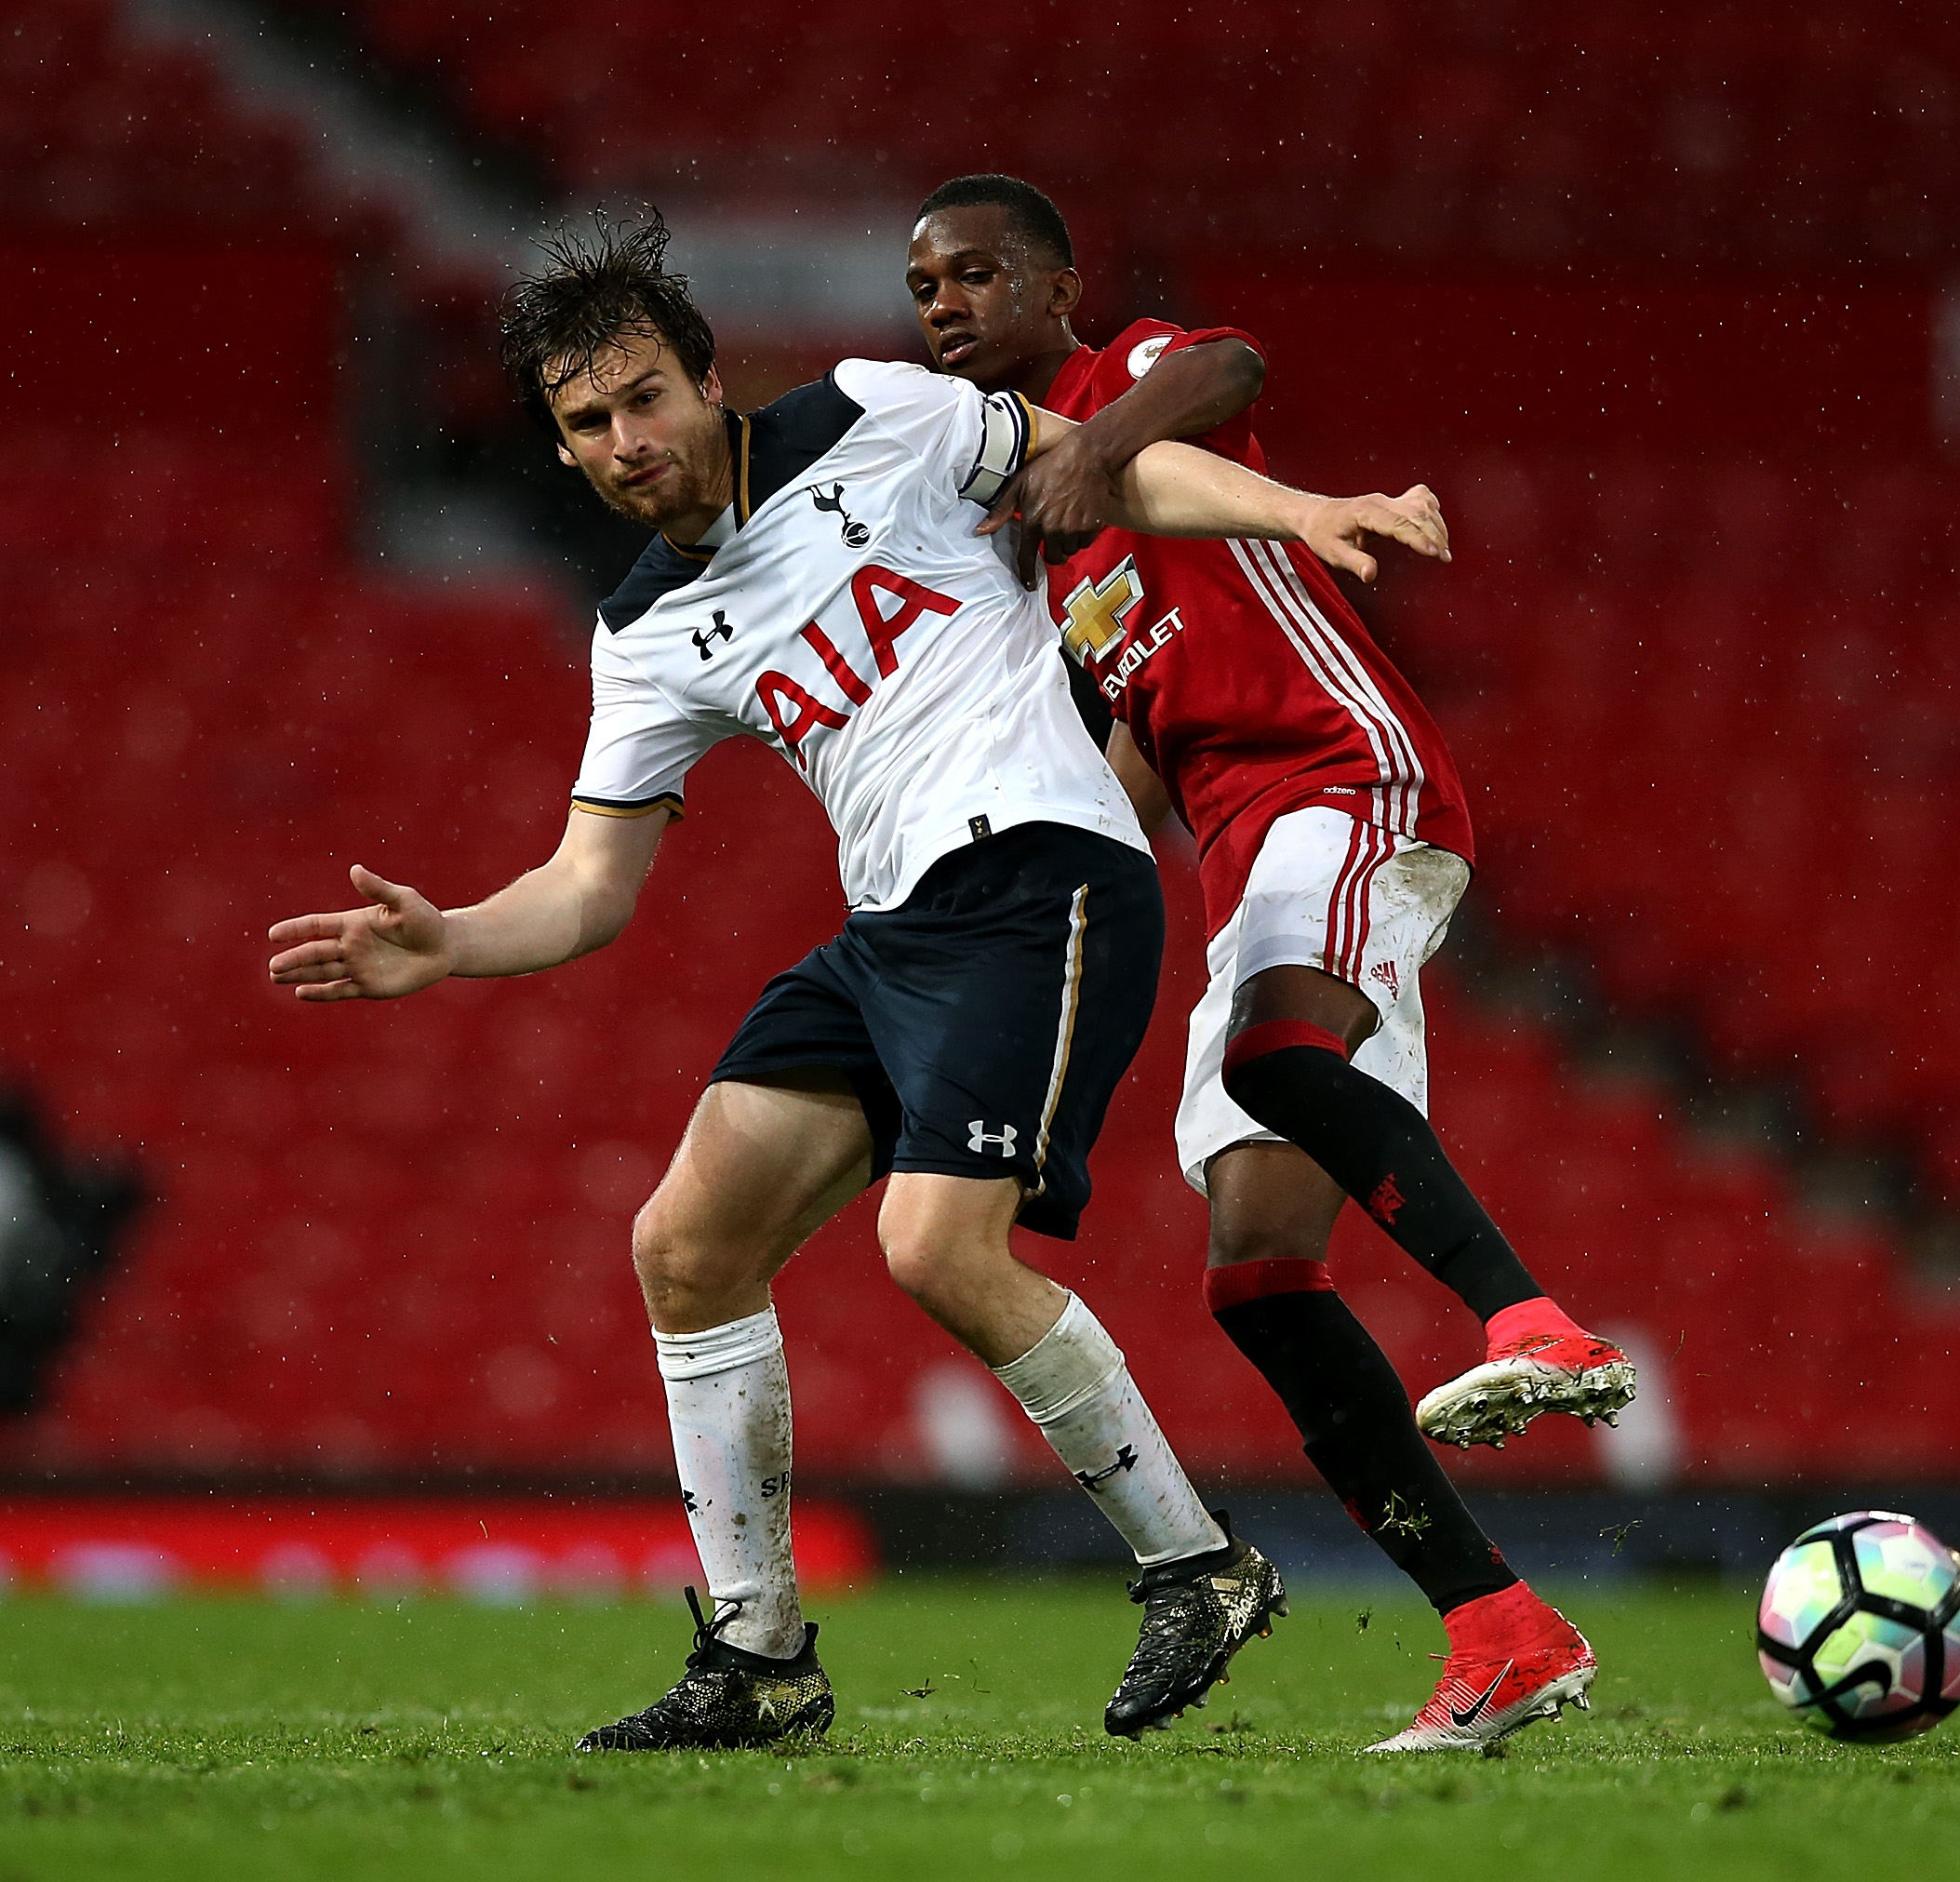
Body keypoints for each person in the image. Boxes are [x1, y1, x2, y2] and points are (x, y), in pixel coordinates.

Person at [266, 211, 1448, 1749]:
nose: (627, 441)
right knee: (686, 1244)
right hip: (893, 928)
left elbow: (1103, 460)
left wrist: (1293, 509)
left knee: (932, 1246)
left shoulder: (871, 416)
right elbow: (585, 888)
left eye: (644, 398)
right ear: (560, 452)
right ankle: (759, 1660)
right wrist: (448, 942)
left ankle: (1201, 1568)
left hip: (1043, 871)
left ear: (706, 381)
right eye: (587, 423)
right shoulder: (642, 632)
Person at [905, 173, 1621, 1750]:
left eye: (974, 273)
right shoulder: (1055, 554)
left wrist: (1096, 442)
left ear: (1057, 282)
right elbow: (1143, 758)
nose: (944, 302)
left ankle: (1530, 1322)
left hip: (1344, 779)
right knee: (1257, 1272)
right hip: (1244, 857)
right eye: (922, 286)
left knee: (1269, 1057)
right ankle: (1503, 1628)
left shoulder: (1132, 390)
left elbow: (1235, 363)